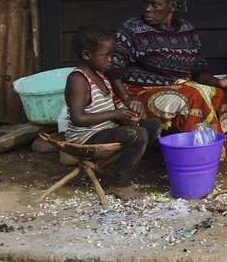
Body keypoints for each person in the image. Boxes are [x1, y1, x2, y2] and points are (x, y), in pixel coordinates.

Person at [107, 0, 227, 161]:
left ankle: (204, 144)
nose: (147, 9)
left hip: (181, 87)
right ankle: (197, 157)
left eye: (155, 5)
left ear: (172, 6)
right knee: (193, 95)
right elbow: (113, 68)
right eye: (146, 4)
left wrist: (218, 82)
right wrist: (126, 98)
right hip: (138, 94)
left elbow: (198, 70)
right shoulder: (132, 29)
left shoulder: (187, 31)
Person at [65, 25, 162, 200]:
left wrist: (131, 111)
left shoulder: (102, 74)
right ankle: (120, 183)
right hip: (85, 136)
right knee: (137, 135)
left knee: (153, 126)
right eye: (106, 56)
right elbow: (78, 118)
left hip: (104, 128)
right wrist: (115, 115)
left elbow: (120, 102)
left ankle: (114, 166)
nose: (111, 60)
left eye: (112, 55)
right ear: (87, 55)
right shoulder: (78, 80)